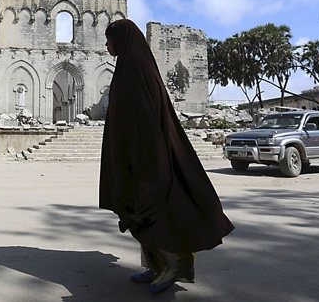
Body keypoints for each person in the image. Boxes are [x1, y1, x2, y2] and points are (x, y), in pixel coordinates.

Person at [99, 19, 234, 294]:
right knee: (134, 204)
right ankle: (156, 265)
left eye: (108, 38)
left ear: (122, 39)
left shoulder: (137, 67)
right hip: (134, 151)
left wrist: (144, 154)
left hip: (146, 153)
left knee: (151, 205)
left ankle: (173, 264)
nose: (106, 44)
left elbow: (145, 116)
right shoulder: (129, 64)